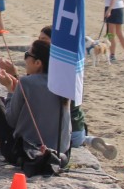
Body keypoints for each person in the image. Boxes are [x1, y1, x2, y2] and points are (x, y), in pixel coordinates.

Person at [15, 27, 117, 159]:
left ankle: (86, 139)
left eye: (43, 39)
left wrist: (14, 89)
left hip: (59, 136)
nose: (39, 42)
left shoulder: (42, 76)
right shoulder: (66, 71)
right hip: (76, 127)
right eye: (39, 39)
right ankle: (87, 139)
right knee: (76, 131)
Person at [0, 39, 72, 175]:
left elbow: (11, 120)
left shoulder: (26, 82)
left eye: (27, 55)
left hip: (29, 155)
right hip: (60, 155)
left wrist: (10, 89)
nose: (25, 59)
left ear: (38, 63)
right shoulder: (63, 83)